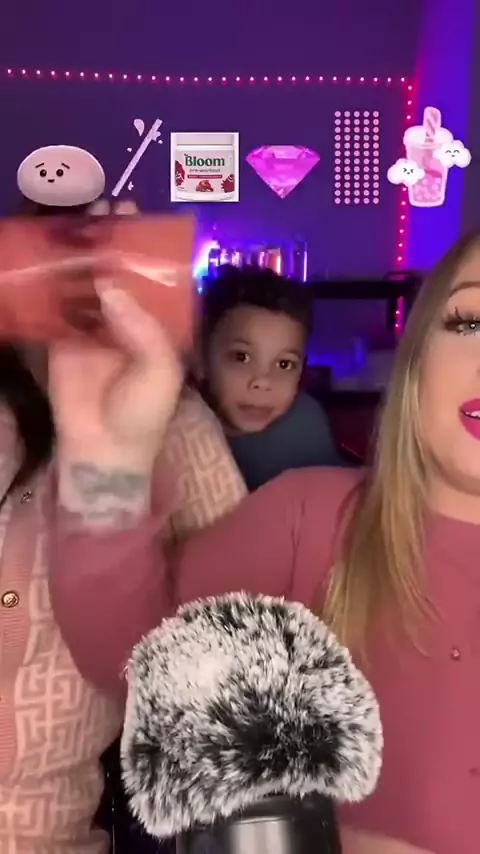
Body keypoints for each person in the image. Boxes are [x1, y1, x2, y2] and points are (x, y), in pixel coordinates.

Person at [49, 231, 480, 854]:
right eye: (470, 323)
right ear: (416, 355)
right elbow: (132, 656)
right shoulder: (309, 518)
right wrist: (108, 464)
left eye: (284, 364)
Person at [0, 180, 247, 853]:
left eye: (99, 268)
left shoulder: (178, 427)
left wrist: (110, 467)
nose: (76, 296)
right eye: (49, 264)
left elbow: (230, 664)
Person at [195, 265, 344, 490]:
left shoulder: (305, 427)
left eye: (284, 364)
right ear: (201, 356)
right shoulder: (178, 428)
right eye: (241, 357)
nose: (263, 382)